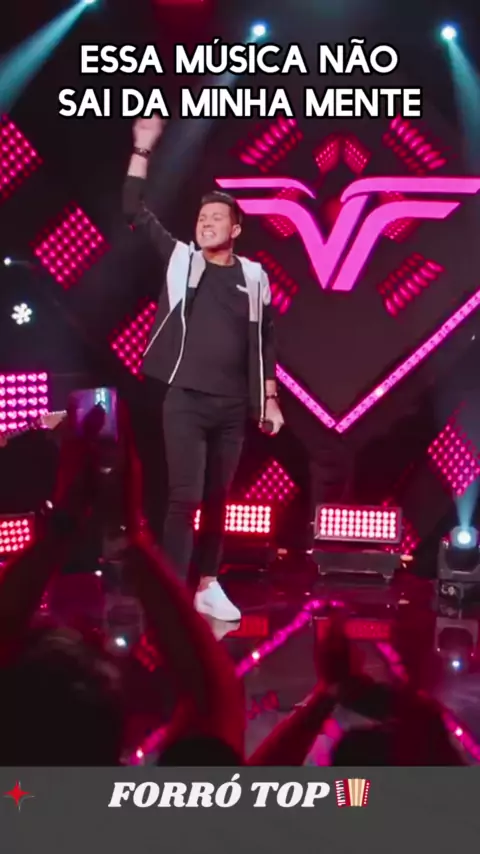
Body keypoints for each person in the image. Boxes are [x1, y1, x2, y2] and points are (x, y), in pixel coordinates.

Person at [122, 115, 284, 622]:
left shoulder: (254, 277)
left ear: (235, 229)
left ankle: (208, 585)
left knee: (218, 500)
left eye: (217, 217)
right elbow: (132, 209)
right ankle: (174, 589)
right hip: (185, 401)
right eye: (202, 217)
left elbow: (265, 339)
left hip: (234, 406)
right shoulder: (181, 260)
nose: (207, 222)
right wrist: (143, 149)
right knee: (184, 497)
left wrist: (270, 399)